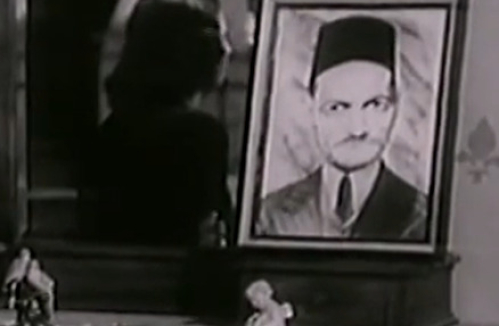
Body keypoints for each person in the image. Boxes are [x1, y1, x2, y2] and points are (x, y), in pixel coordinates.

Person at [254, 15, 429, 241]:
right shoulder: (271, 214)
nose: (357, 129)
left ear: (395, 107)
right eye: (337, 108)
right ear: (311, 109)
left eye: (375, 105)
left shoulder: (423, 217)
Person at [77, 0, 233, 247]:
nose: (227, 50)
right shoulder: (201, 135)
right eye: (216, 39)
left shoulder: (110, 131)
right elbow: (216, 235)